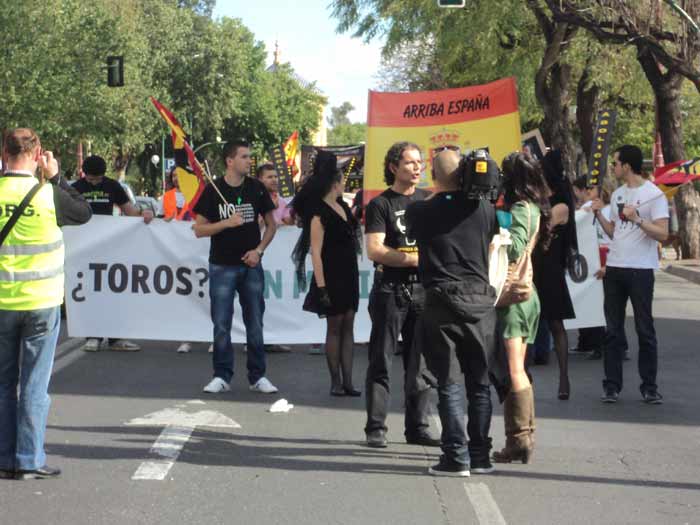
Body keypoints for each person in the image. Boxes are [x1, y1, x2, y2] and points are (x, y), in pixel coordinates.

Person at [1, 128, 92, 480]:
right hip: (41, 304)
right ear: (37, 153)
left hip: (2, 303)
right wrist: (58, 176)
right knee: (34, 386)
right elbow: (84, 212)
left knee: (3, 384)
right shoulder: (48, 195)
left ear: (4, 151)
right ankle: (28, 459)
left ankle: (4, 457)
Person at [406, 149, 499, 476]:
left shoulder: (421, 210)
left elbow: (416, 234)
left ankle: (455, 457)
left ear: (433, 174)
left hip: (441, 301)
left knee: (448, 382)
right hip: (481, 301)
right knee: (479, 382)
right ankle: (480, 455)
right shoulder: (485, 209)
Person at [363, 141, 439, 448]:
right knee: (381, 359)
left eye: (419, 162)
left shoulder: (429, 202)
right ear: (394, 167)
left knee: (419, 364)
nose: (417, 167)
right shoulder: (381, 205)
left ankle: (417, 427)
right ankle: (376, 428)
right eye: (410, 163)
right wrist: (413, 259)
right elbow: (375, 250)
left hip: (423, 291)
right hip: (390, 290)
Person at [193, 140, 279, 394]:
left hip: (251, 265)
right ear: (230, 161)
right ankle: (221, 375)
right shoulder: (213, 190)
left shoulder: (257, 188)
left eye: (249, 156)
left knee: (255, 322)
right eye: (243, 156)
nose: (248, 161)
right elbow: (198, 229)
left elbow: (271, 225)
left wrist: (259, 251)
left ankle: (258, 376)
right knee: (221, 323)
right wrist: (225, 224)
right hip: (221, 266)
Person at [591, 145, 669, 404]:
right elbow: (614, 231)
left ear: (627, 166)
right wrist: (599, 214)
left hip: (641, 270)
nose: (613, 168)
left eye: (616, 163)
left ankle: (649, 386)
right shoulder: (617, 194)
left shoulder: (654, 195)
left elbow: (662, 234)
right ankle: (611, 385)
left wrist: (637, 219)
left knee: (644, 329)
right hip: (615, 268)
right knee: (612, 330)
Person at [492, 152, 551, 465]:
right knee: (519, 367)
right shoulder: (535, 208)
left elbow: (514, 246)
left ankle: (519, 440)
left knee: (514, 368)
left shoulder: (519, 208)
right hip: (529, 292)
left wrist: (495, 237)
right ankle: (524, 436)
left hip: (514, 295)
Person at [292, 151, 362, 396]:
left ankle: (349, 381)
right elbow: (316, 253)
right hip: (330, 275)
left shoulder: (343, 206)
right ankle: (335, 381)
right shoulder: (319, 213)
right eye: (343, 181)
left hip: (349, 273)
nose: (345, 185)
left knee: (349, 324)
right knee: (335, 327)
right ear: (335, 182)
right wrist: (321, 287)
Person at [72, 155, 153, 352]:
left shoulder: (113, 186)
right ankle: (93, 336)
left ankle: (116, 338)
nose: (94, 183)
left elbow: (130, 212)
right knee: (91, 292)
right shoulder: (75, 188)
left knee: (113, 291)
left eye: (97, 179)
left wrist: (144, 213)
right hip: (84, 249)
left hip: (110, 248)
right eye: (90, 179)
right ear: (84, 175)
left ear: (103, 175)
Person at [531, 150, 577, 400]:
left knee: (556, 324)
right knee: (526, 325)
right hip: (531, 266)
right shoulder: (535, 198)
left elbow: (540, 228)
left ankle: (564, 377)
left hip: (550, 270)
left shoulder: (560, 203)